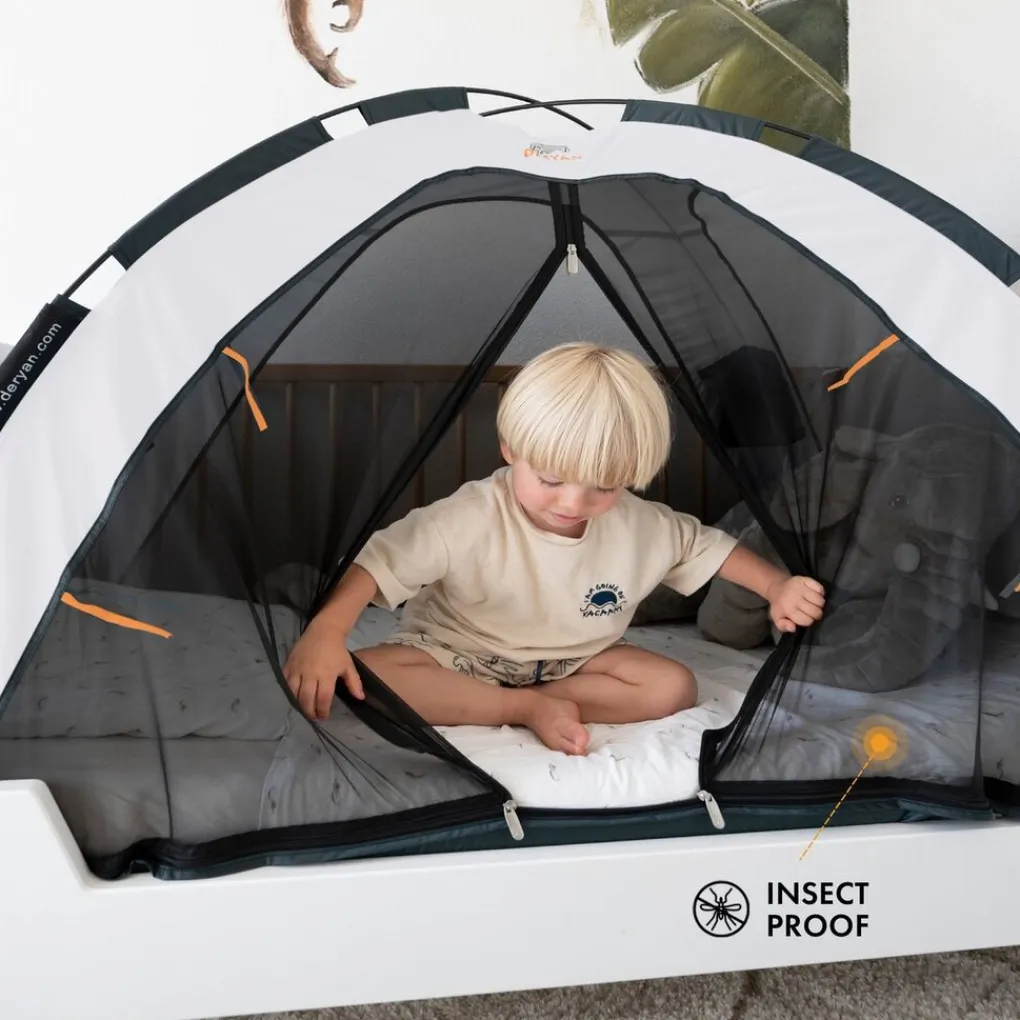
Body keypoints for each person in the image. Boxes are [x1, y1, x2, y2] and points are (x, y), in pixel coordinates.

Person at [283, 342, 825, 756]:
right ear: (510, 449)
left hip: (577, 661)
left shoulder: (640, 524)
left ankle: (537, 701)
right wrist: (326, 632)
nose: (573, 502)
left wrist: (776, 585)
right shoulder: (468, 516)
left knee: (673, 686)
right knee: (366, 680)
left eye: (605, 487)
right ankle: (522, 707)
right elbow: (377, 564)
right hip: (459, 653)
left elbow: (707, 547)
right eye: (550, 479)